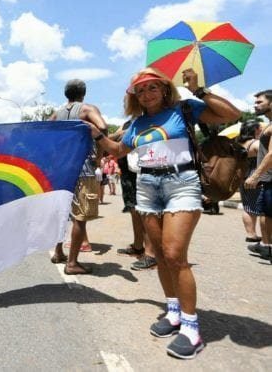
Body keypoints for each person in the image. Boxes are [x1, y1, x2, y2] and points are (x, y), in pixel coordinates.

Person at [89, 67, 239, 359]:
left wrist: (199, 90)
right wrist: (96, 134)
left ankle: (191, 328)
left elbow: (230, 115)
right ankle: (173, 312)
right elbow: (118, 150)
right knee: (158, 254)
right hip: (147, 186)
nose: (146, 94)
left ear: (165, 89)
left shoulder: (184, 108)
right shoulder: (136, 123)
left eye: (152, 88)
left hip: (180, 184)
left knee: (174, 255)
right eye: (140, 90)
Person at [49, 78, 106, 274]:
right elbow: (103, 127)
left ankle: (58, 252)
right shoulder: (87, 109)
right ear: (84, 93)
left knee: (62, 214)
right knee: (80, 217)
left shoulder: (57, 114)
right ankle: (72, 263)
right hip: (82, 167)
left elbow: (46, 131)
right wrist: (99, 156)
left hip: (62, 168)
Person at [111, 120, 157, 270]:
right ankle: (138, 246)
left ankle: (151, 254)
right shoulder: (127, 123)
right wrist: (122, 133)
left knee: (146, 212)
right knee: (133, 211)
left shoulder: (150, 120)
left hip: (143, 171)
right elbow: (111, 139)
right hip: (127, 174)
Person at [245, 90, 272, 263]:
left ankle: (268, 248)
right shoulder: (268, 124)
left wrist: (255, 176)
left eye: (259, 102)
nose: (255, 105)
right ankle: (266, 245)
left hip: (269, 177)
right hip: (268, 178)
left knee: (266, 214)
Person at [237, 120, 264, 243]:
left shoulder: (238, 144)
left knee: (248, 207)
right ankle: (264, 237)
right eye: (260, 128)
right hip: (257, 178)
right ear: (255, 130)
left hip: (244, 177)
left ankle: (251, 234)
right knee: (264, 209)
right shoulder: (256, 143)